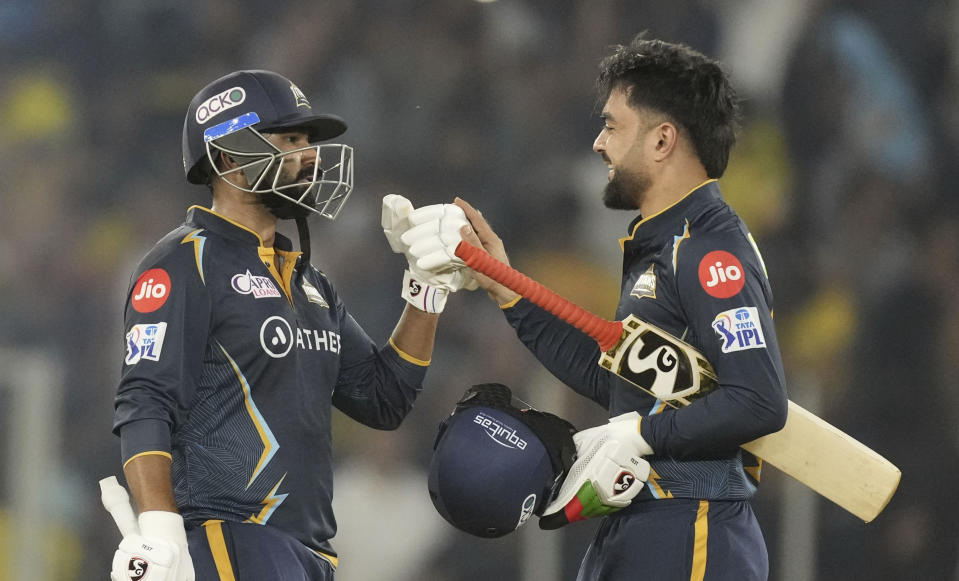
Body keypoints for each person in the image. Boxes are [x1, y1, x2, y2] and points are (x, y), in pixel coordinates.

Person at [435, 37, 789, 580]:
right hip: (644, 522)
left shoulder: (710, 251)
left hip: (694, 527)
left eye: (613, 126)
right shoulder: (661, 244)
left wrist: (643, 436)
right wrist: (504, 288)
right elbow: (624, 388)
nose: (599, 143)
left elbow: (759, 401)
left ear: (663, 139)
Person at [109, 69, 471, 581]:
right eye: (291, 139)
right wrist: (160, 529)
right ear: (229, 156)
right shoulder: (184, 261)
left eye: (308, 141)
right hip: (228, 535)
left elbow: (383, 398)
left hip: (309, 550)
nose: (310, 155)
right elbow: (145, 401)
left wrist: (426, 288)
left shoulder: (309, 280)